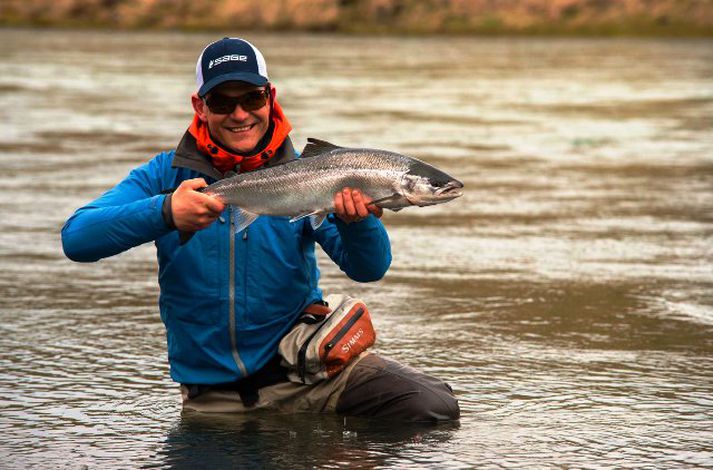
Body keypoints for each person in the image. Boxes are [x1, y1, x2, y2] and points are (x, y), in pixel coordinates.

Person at [61, 37, 459, 422]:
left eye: (252, 99)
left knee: (431, 404)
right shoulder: (165, 176)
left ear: (270, 97)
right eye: (222, 101)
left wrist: (359, 224)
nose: (240, 115)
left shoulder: (315, 172)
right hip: (214, 400)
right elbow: (77, 238)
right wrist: (166, 211)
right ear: (200, 106)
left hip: (309, 374)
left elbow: (369, 269)